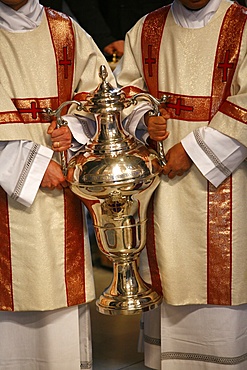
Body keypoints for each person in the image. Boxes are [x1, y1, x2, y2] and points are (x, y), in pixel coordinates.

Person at [114, 0, 247, 368]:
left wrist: (192, 149)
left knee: (222, 275)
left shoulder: (240, 24)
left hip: (227, 182)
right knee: (169, 270)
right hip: (164, 184)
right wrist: (144, 120)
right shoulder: (148, 27)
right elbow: (124, 90)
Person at [0, 0, 114, 369]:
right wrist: (30, 161)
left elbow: (101, 92)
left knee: (61, 301)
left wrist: (75, 131)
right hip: (9, 182)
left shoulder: (66, 29)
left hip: (62, 184)